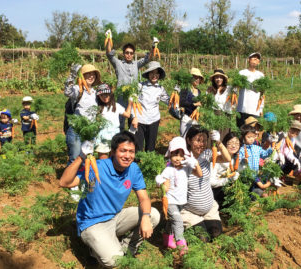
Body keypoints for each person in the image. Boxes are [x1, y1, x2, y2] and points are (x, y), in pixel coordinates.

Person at [59, 131, 160, 268]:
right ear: (112, 152)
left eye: (131, 151)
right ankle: (97, 250)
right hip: (92, 223)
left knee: (153, 214)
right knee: (113, 261)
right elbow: (65, 183)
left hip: (115, 217)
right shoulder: (97, 167)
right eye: (123, 151)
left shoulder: (133, 169)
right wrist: (81, 157)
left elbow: (144, 198)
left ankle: (126, 251)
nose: (128, 156)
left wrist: (145, 218)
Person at [181, 126, 231, 241]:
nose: (202, 144)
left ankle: (204, 221)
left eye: (204, 141)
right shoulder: (183, 159)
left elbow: (227, 158)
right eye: (198, 140)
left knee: (216, 233)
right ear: (189, 140)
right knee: (203, 238)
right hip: (190, 211)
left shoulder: (207, 154)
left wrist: (218, 142)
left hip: (209, 209)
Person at [155, 136, 202, 254]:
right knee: (177, 220)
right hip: (170, 201)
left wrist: (195, 163)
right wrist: (159, 181)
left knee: (171, 221)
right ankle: (181, 243)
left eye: (181, 155)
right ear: (170, 154)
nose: (178, 158)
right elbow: (164, 186)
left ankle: (167, 239)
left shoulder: (186, 167)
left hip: (181, 201)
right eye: (175, 155)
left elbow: (199, 174)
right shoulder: (168, 170)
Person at [105, 30, 155, 130]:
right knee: (120, 121)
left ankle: (132, 141)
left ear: (133, 54)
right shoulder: (118, 63)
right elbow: (109, 54)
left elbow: (148, 59)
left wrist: (154, 47)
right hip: (121, 96)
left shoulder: (136, 64)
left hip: (134, 96)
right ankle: (120, 140)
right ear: (123, 53)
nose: (129, 55)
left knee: (134, 120)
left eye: (131, 53)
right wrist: (109, 39)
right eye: (127, 52)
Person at [64, 64, 101, 163]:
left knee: (88, 159)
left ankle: (85, 178)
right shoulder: (78, 89)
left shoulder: (95, 92)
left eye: (93, 74)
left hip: (90, 131)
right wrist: (72, 74)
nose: (91, 76)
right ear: (83, 76)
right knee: (75, 159)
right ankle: (71, 178)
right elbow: (67, 92)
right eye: (88, 74)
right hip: (76, 129)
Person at [133, 61, 169, 152]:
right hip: (140, 120)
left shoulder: (161, 89)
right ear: (148, 74)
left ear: (159, 75)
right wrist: (134, 117)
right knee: (138, 147)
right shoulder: (140, 86)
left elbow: (169, 101)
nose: (154, 75)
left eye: (156, 73)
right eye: (152, 73)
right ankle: (137, 165)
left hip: (153, 120)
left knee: (150, 147)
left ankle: (148, 164)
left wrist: (177, 94)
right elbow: (132, 101)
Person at [95, 83, 137, 159]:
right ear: (99, 96)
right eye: (102, 95)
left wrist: (130, 103)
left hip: (115, 136)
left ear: (110, 94)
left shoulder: (116, 106)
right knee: (103, 160)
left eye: (107, 94)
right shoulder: (97, 107)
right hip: (102, 137)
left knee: (113, 159)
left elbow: (127, 114)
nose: (105, 97)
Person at [239, 125, 273, 198]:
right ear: (243, 137)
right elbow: (238, 162)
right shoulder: (242, 149)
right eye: (249, 137)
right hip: (246, 176)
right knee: (246, 190)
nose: (251, 139)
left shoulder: (257, 148)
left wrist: (272, 148)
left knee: (255, 187)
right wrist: (243, 160)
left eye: (253, 136)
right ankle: (251, 195)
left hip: (256, 175)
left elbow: (265, 154)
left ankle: (256, 193)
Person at [210, 132, 241, 208]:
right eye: (230, 143)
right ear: (224, 144)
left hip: (226, 190)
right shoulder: (216, 157)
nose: (234, 146)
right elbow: (211, 182)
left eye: (237, 143)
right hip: (214, 192)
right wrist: (228, 180)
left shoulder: (236, 159)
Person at [237, 52, 265, 127]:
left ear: (259, 62)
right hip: (242, 109)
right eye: (253, 58)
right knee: (241, 131)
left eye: (257, 59)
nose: (255, 60)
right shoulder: (242, 73)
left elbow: (262, 94)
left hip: (255, 110)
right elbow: (235, 89)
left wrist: (261, 108)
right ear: (249, 60)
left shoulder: (261, 75)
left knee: (252, 133)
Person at [207, 69, 234, 139]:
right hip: (213, 116)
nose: (218, 79)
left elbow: (233, 102)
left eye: (220, 77)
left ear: (224, 79)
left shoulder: (229, 89)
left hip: (225, 116)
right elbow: (207, 104)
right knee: (213, 137)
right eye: (216, 77)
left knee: (223, 137)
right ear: (213, 79)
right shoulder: (210, 90)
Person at [179, 68, 204, 137]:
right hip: (186, 119)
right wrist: (194, 104)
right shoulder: (185, 88)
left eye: (199, 78)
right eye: (195, 77)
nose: (197, 80)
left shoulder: (199, 91)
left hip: (195, 120)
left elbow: (200, 104)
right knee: (184, 139)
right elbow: (181, 102)